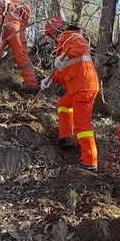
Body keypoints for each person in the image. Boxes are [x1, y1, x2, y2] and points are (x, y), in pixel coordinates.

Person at [41, 16, 99, 172]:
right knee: (63, 104)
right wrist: (50, 80)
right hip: (77, 88)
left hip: (84, 88)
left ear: (55, 32)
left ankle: (90, 162)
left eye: (49, 36)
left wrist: (65, 55)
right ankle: (66, 137)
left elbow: (81, 46)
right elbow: (64, 72)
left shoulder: (71, 36)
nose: (50, 40)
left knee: (83, 125)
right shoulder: (63, 45)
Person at [0, 0, 40, 94]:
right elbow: (25, 20)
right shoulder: (22, 5)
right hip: (14, 25)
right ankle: (33, 87)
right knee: (22, 56)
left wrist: (1, 46)